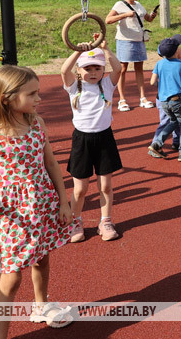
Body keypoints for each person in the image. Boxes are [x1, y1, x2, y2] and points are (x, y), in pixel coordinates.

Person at [0, 66, 75, 337]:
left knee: (41, 257)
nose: (39, 99)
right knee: (12, 276)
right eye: (32, 94)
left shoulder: (37, 123)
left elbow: (50, 162)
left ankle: (41, 305)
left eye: (38, 92)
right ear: (6, 97)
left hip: (41, 203)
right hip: (11, 213)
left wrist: (64, 201)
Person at [61, 40, 123, 243]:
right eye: (88, 68)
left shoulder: (106, 84)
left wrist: (105, 49)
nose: (93, 72)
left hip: (104, 138)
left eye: (98, 68)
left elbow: (118, 68)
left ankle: (105, 221)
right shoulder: (73, 86)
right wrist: (77, 51)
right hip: (82, 140)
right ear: (78, 70)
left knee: (105, 186)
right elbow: (63, 70)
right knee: (80, 189)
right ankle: (75, 221)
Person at [105, 0, 158, 112]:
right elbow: (108, 20)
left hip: (139, 40)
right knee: (123, 69)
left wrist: (152, 16)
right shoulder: (119, 4)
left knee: (139, 68)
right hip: (125, 40)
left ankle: (142, 98)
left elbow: (147, 19)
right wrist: (124, 15)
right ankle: (122, 100)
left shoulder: (139, 5)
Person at [148, 34, 181, 162]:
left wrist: (163, 85)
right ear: (176, 51)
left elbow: (152, 82)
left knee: (173, 122)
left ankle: (157, 143)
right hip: (177, 100)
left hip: (164, 101)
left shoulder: (159, 64)